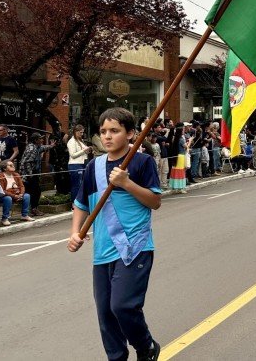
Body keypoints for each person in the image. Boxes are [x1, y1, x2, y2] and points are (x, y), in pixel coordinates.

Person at [68, 108, 162, 361]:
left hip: (135, 248)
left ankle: (146, 346)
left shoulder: (142, 163)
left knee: (122, 306)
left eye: (115, 131)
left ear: (131, 134)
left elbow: (154, 201)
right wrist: (75, 232)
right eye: (103, 132)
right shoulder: (93, 167)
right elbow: (81, 204)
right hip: (103, 252)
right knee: (106, 316)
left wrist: (126, 183)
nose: (107, 137)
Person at [19, 132, 54, 216]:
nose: (42, 140)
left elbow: (43, 148)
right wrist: (30, 175)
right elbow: (26, 162)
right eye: (40, 139)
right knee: (34, 191)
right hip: (29, 173)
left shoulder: (37, 147)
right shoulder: (32, 149)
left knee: (33, 191)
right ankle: (32, 209)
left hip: (33, 173)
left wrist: (51, 146)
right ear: (35, 140)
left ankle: (30, 209)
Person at [0, 160, 33, 226]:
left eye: (13, 165)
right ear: (5, 168)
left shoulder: (16, 174)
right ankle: (4, 218)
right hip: (4, 196)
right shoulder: (1, 176)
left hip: (17, 194)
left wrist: (21, 194)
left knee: (27, 196)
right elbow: (2, 190)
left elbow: (22, 186)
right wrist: (14, 196)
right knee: (8, 198)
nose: (13, 166)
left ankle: (24, 215)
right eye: (10, 165)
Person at [67, 124, 92, 205]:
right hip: (75, 164)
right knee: (76, 185)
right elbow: (73, 155)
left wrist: (89, 150)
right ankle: (74, 203)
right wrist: (84, 151)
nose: (82, 134)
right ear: (75, 132)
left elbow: (84, 152)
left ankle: (80, 202)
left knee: (82, 184)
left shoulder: (81, 141)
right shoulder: (71, 141)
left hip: (83, 163)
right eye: (80, 132)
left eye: (82, 132)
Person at [169, 124, 187, 193]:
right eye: (183, 130)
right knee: (180, 172)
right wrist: (190, 141)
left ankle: (174, 187)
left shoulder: (175, 138)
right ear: (180, 131)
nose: (184, 131)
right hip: (181, 157)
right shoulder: (181, 139)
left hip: (176, 156)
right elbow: (186, 147)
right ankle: (180, 188)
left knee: (175, 172)